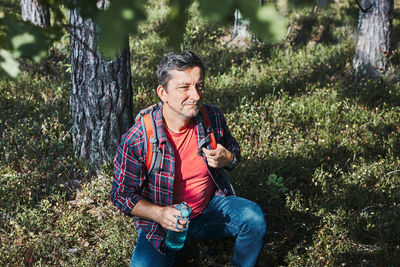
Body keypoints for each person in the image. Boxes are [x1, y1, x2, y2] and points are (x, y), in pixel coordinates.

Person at [111, 51, 266, 267]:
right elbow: (120, 194)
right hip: (162, 224)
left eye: (199, 85)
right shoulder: (138, 138)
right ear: (162, 93)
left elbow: (233, 152)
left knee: (253, 218)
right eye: (184, 87)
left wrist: (229, 159)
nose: (195, 95)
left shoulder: (211, 117)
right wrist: (159, 214)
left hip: (208, 210)